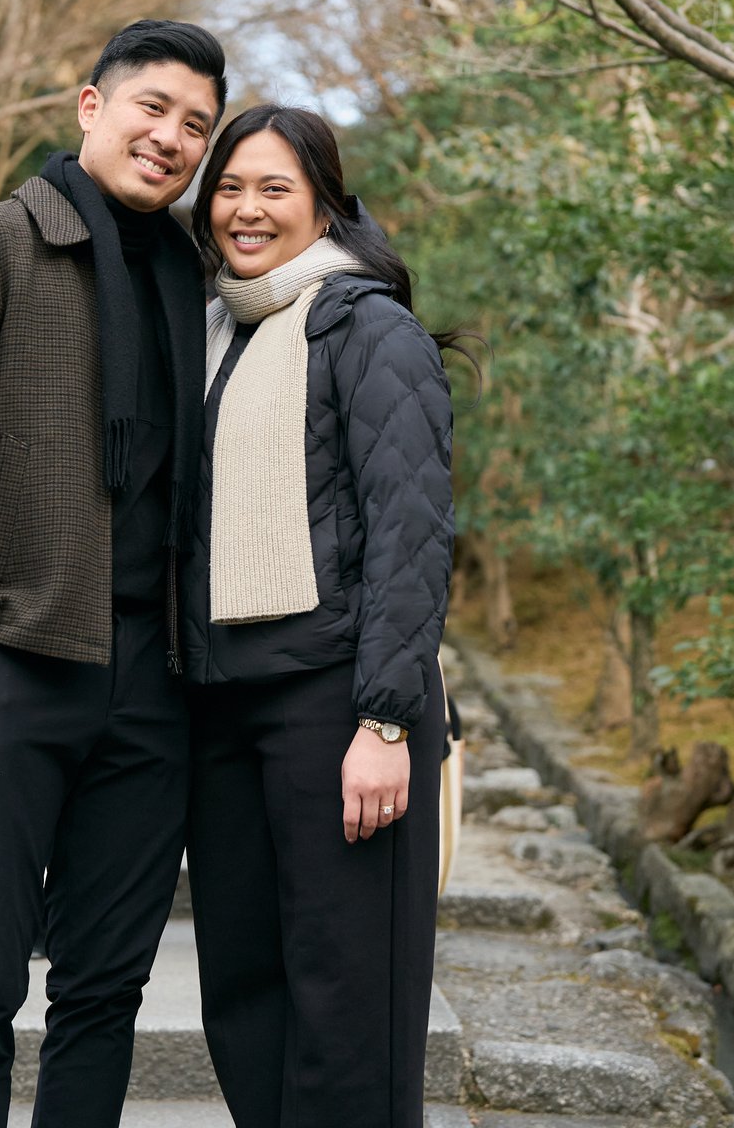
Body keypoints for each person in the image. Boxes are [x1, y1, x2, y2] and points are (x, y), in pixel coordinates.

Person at [0, 20, 226, 1128]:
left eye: (196, 125)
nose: (171, 138)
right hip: (12, 662)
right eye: (153, 107)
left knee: (105, 990)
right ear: (91, 106)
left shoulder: (195, 278)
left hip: (152, 683)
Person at [180, 104, 458, 1128]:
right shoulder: (213, 328)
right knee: (242, 993)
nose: (246, 210)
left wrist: (385, 722)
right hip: (223, 705)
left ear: (325, 205)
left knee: (349, 1002)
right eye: (229, 188)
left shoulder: (370, 330)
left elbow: (410, 531)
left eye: (275, 188)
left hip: (337, 703)